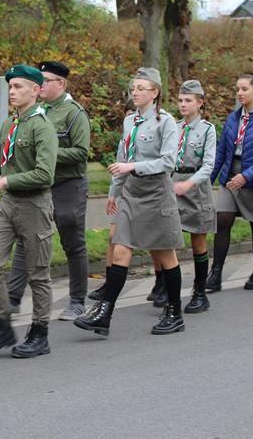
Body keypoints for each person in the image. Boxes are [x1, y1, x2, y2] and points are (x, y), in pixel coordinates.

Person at [74, 67, 185, 336]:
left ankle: (175, 312)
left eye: (141, 89)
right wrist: (114, 191)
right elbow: (122, 158)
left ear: (155, 93)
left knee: (165, 253)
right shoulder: (130, 122)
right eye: (133, 88)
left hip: (156, 194)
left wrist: (133, 167)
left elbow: (168, 162)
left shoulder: (166, 122)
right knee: (120, 249)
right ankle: (105, 313)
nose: (135, 93)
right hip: (132, 193)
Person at [0, 64, 58, 359]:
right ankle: (2, 325)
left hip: (35, 206)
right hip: (8, 206)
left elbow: (45, 174)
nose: (12, 92)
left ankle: (39, 333)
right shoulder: (9, 125)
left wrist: (7, 181)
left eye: (18, 87)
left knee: (37, 273)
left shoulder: (42, 127)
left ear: (36, 90)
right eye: (11, 87)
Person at [7, 61, 91, 321]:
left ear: (61, 84)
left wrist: (47, 153)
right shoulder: (34, 111)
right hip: (39, 184)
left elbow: (81, 152)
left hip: (68, 185)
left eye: (46, 80)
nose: (40, 85)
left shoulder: (74, 113)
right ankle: (12, 299)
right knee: (26, 238)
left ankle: (77, 301)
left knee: (72, 242)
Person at [206, 73, 253, 292]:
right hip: (231, 176)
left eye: (244, 89)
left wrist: (246, 176)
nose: (240, 93)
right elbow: (222, 150)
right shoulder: (233, 118)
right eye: (237, 89)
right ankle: (215, 274)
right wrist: (209, 180)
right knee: (223, 220)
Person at [172, 80, 217, 313]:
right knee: (167, 239)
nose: (183, 104)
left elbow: (208, 164)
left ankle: (200, 293)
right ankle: (165, 288)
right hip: (173, 185)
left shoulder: (207, 129)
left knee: (198, 241)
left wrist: (189, 183)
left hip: (196, 188)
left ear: (200, 103)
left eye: (188, 100)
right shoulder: (173, 127)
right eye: (180, 100)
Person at [89, 98, 134, 303]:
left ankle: (162, 283)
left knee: (157, 246)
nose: (130, 121)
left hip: (144, 193)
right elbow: (118, 168)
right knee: (113, 238)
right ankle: (109, 285)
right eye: (127, 117)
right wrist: (112, 194)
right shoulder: (125, 139)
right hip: (123, 193)